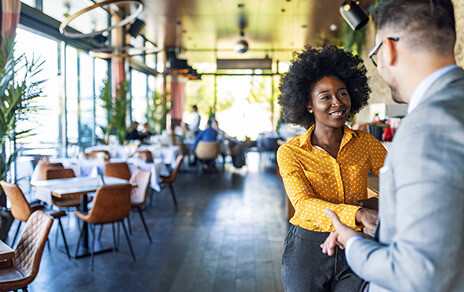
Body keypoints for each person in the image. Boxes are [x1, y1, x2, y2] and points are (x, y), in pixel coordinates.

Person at [322, 1, 464, 291]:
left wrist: (354, 244)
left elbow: (417, 274)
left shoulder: (426, 127)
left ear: (388, 49)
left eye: (375, 57)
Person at [277, 45, 387, 291]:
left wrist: (375, 204)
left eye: (342, 94)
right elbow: (304, 205)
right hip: (308, 248)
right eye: (325, 96)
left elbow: (397, 182)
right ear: (308, 105)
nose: (337, 103)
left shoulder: (367, 143)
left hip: (355, 244)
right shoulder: (291, 152)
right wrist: (357, 214)